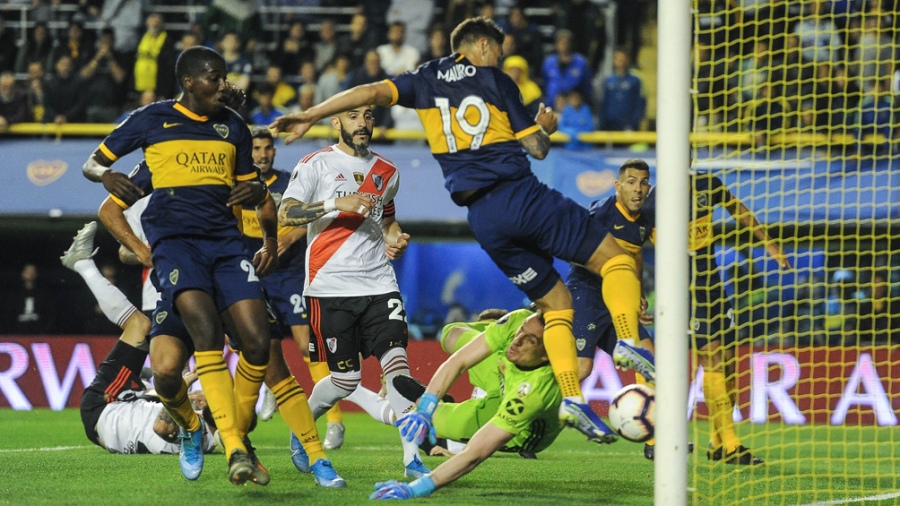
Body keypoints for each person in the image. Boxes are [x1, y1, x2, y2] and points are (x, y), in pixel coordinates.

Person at [270, 16, 646, 443]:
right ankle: (627, 339)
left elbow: (372, 92)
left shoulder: (423, 82)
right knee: (614, 259)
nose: (498, 59)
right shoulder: (496, 80)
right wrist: (544, 128)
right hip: (517, 194)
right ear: (482, 45)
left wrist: (312, 113)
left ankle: (571, 399)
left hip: (480, 219)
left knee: (556, 306)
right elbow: (537, 149)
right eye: (497, 51)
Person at [81, 46, 275, 486]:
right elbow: (95, 169)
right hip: (177, 249)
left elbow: (254, 190)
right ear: (188, 81)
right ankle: (222, 440)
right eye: (214, 77)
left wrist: (262, 209)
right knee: (185, 353)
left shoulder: (234, 127)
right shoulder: (153, 123)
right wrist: (137, 242)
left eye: (224, 77)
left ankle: (236, 434)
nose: (223, 84)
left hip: (225, 246)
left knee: (259, 344)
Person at [278, 104, 430, 478]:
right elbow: (287, 213)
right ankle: (303, 427)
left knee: (397, 367)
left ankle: (412, 460)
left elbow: (388, 221)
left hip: (380, 283)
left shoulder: (387, 171)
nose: (362, 123)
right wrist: (336, 203)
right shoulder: (315, 164)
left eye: (368, 116)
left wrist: (396, 239)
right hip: (330, 286)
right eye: (353, 116)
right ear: (336, 122)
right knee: (345, 381)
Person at [643, 170, 791, 466]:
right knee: (711, 359)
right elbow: (632, 246)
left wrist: (769, 244)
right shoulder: (654, 201)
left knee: (729, 363)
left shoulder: (707, 184)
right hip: (684, 293)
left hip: (714, 288)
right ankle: (732, 445)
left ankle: (717, 442)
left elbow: (738, 209)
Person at [371, 309, 571, 500]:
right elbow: (460, 361)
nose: (517, 340)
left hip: (518, 425)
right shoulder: (519, 322)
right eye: (522, 331)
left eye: (530, 340)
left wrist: (419, 487)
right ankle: (434, 395)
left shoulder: (533, 394)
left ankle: (437, 415)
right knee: (451, 334)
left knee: (420, 420)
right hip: (503, 374)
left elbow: (475, 454)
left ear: (547, 355)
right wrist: (426, 405)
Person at [61, 224, 218, 456]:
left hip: (106, 403)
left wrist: (182, 387)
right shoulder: (205, 434)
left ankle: (82, 263)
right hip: (116, 418)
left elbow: (162, 427)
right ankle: (144, 378)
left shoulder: (200, 434)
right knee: (159, 369)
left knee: (139, 326)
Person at [241, 126, 346, 449]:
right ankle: (273, 389)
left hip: (290, 275)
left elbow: (315, 217)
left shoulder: (289, 183)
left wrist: (290, 236)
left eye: (266, 148)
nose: (262, 154)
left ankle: (335, 421)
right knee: (260, 342)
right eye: (256, 149)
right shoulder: (239, 185)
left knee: (306, 345)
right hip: (254, 273)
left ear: (274, 151)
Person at [566, 159, 658, 458]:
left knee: (650, 361)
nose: (638, 189)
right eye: (631, 182)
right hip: (588, 295)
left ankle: (654, 442)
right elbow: (572, 252)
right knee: (581, 369)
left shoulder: (645, 219)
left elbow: (636, 255)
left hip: (618, 301)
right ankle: (527, 415)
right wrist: (609, 270)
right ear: (618, 186)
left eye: (643, 182)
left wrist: (637, 290)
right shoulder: (602, 213)